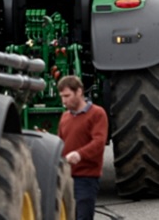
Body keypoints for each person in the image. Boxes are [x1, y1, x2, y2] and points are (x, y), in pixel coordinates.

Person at [57, 76, 108, 220]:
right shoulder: (65, 117)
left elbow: (99, 142)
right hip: (66, 177)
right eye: (62, 97)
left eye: (67, 96)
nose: (64, 101)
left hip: (86, 178)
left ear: (79, 92)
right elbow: (60, 143)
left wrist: (79, 155)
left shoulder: (97, 114)